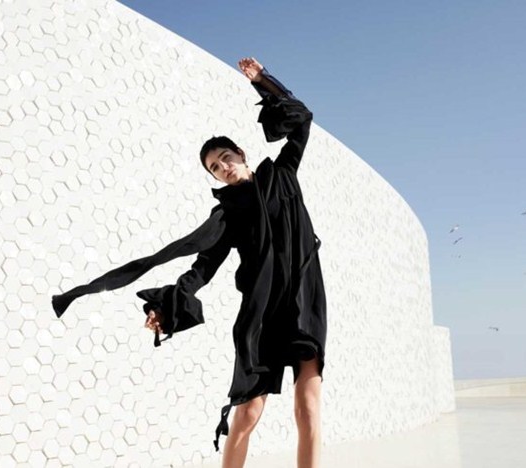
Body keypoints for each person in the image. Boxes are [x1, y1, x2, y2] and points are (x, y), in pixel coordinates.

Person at [52, 57, 326, 468]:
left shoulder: (283, 173)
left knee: (308, 407)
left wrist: (262, 81)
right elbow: (203, 267)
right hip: (261, 311)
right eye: (214, 168)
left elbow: (302, 120)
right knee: (248, 414)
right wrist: (165, 307)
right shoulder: (228, 215)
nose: (223, 168)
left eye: (225, 158)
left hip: (303, 295)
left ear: (241, 153)